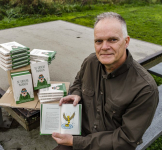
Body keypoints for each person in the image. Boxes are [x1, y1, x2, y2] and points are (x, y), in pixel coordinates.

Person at [52, 12, 159, 150]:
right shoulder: (90, 62)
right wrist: (76, 93)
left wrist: (76, 142)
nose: (104, 47)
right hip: (78, 137)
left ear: (126, 41)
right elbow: (78, 81)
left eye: (112, 40)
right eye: (99, 41)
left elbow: (126, 140)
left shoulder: (145, 89)